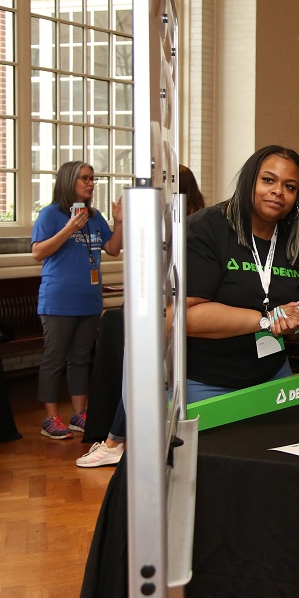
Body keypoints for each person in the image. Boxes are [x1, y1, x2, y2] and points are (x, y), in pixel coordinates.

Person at [77, 165, 205, 467]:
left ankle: (115, 442)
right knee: (144, 376)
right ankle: (118, 440)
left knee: (142, 374)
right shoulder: (183, 220)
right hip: (164, 309)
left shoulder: (184, 225)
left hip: (169, 312)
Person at [184, 146, 299, 403]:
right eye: (268, 180)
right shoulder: (207, 228)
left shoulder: (295, 242)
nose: (278, 191)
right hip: (206, 381)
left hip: (273, 376)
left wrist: (295, 320)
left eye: (290, 187)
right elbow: (185, 315)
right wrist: (266, 320)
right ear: (249, 180)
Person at [32, 161, 123, 440]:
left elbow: (113, 249)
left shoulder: (94, 217)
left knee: (81, 359)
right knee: (54, 359)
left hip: (89, 299)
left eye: (92, 179)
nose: (90, 183)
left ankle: (79, 414)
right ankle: (50, 418)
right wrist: (69, 228)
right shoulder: (50, 214)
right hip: (59, 299)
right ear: (69, 181)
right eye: (84, 178)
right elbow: (38, 253)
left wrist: (118, 222)